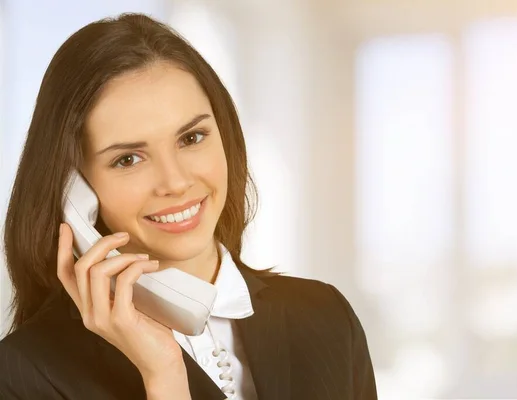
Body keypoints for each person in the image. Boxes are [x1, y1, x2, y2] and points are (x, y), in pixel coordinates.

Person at [0, 13, 377, 400]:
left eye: (192, 137)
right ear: (73, 187)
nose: (176, 182)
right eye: (128, 159)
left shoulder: (325, 318)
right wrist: (163, 374)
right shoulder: (25, 376)